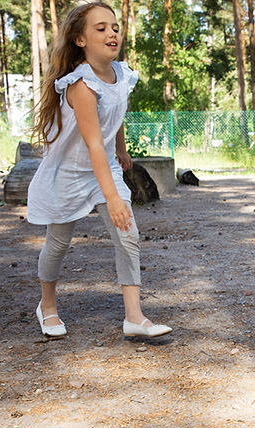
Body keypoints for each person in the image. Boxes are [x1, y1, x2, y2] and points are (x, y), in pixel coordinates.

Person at [27, 2, 171, 338]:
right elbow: (92, 143)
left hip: (102, 166)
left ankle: (134, 318)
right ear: (80, 39)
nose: (112, 33)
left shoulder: (121, 73)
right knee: (59, 242)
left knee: (127, 234)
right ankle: (47, 306)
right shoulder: (80, 84)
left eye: (115, 27)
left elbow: (116, 109)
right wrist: (113, 197)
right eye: (101, 28)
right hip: (68, 172)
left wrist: (120, 148)